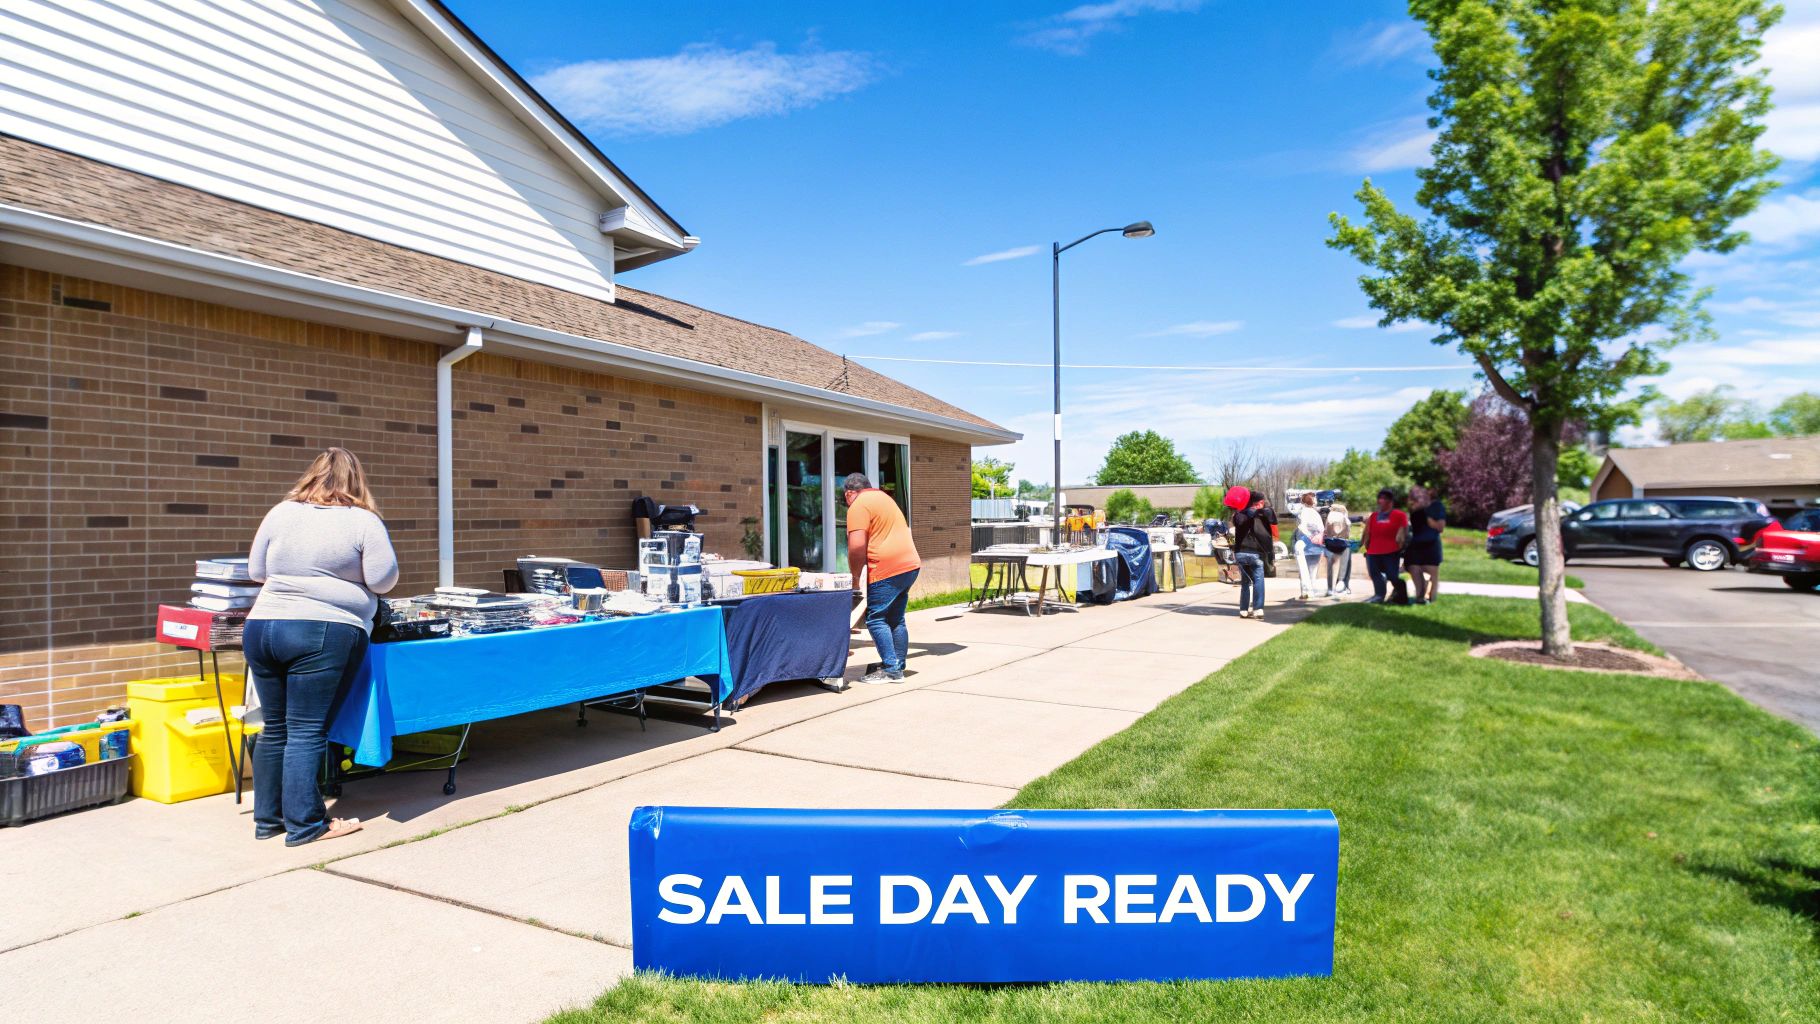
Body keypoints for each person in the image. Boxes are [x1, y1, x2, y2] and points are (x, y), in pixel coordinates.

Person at [245, 448, 398, 846]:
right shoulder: (363, 521)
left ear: (311, 476)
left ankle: (268, 820)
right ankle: (306, 825)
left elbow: (256, 571)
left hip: (263, 627)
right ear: (357, 481)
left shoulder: (281, 512)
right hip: (324, 631)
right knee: (307, 730)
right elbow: (383, 581)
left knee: (275, 726)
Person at [844, 472, 921, 683]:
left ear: (850, 493)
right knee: (895, 618)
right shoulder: (885, 499)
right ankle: (898, 665)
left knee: (876, 618)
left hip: (887, 567)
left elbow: (857, 546)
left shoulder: (858, 505)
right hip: (910, 565)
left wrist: (854, 576)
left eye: (845, 497)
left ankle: (891, 669)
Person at [1231, 492, 1276, 619]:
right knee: (1258, 580)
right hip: (1256, 552)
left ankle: (1244, 609)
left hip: (1241, 552)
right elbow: (1272, 518)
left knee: (1245, 582)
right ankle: (1258, 609)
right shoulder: (1262, 515)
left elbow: (1239, 522)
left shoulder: (1238, 515)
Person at [1362, 487, 1409, 605]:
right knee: (1375, 575)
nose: (1381, 501)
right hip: (1373, 552)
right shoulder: (1373, 516)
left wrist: (1400, 547)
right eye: (1380, 498)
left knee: (1393, 576)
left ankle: (1399, 594)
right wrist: (1366, 547)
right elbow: (1367, 533)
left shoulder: (1400, 515)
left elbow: (1403, 533)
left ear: (1391, 501)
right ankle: (1379, 596)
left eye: (1385, 498)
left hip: (1391, 551)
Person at [1404, 485, 1447, 604]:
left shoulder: (1437, 506)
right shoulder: (1415, 507)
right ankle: (1419, 597)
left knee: (1433, 574)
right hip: (1416, 544)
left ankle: (1432, 599)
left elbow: (1440, 527)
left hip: (1431, 544)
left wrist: (1426, 517)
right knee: (1412, 567)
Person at [1293, 491, 1326, 600]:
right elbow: (1320, 529)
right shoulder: (1314, 513)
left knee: (1304, 570)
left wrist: (1309, 536)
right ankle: (1310, 592)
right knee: (1313, 571)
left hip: (1305, 544)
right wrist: (1315, 536)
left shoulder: (1302, 512)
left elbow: (1301, 527)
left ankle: (1305, 592)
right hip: (1315, 545)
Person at [1324, 500, 1355, 596]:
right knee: (1345, 563)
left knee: (1330, 567)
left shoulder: (1330, 516)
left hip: (1329, 544)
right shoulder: (1344, 517)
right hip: (1342, 544)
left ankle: (1329, 589)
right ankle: (1342, 582)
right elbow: (1347, 533)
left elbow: (1326, 530)